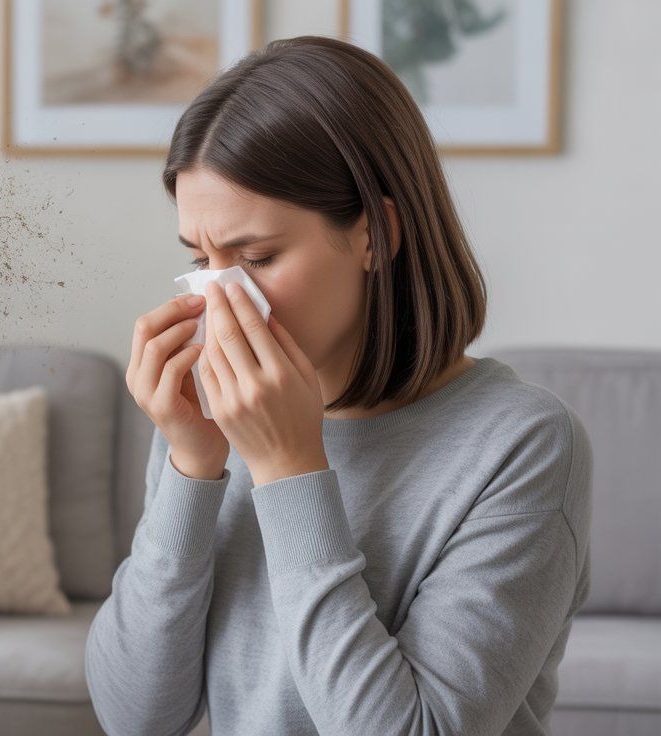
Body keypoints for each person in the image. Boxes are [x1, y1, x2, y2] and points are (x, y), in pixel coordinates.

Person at [85, 35, 592, 736]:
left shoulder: (523, 445)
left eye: (256, 257)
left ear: (375, 234)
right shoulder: (211, 420)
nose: (220, 296)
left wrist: (289, 467)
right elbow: (134, 717)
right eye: (201, 258)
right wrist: (191, 467)